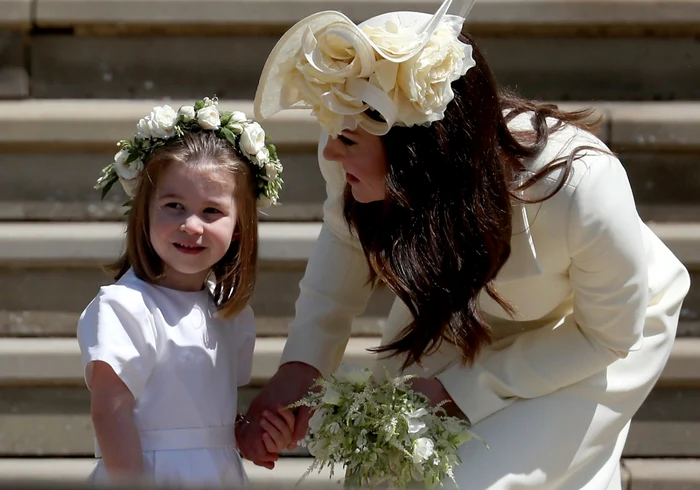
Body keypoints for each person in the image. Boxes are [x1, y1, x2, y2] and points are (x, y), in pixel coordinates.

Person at [237, 0, 692, 488]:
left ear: (419, 152)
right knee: (386, 473)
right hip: (461, 308)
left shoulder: (581, 188)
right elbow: (345, 244)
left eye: (347, 140)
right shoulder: (353, 154)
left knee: (473, 482)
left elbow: (606, 337)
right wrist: (301, 368)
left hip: (590, 335)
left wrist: (461, 390)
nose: (329, 152)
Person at [77, 97, 292, 486]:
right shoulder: (125, 307)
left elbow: (207, 418)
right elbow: (110, 413)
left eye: (211, 211)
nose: (192, 225)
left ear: (239, 226)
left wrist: (246, 435)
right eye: (174, 205)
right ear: (145, 213)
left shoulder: (229, 314)